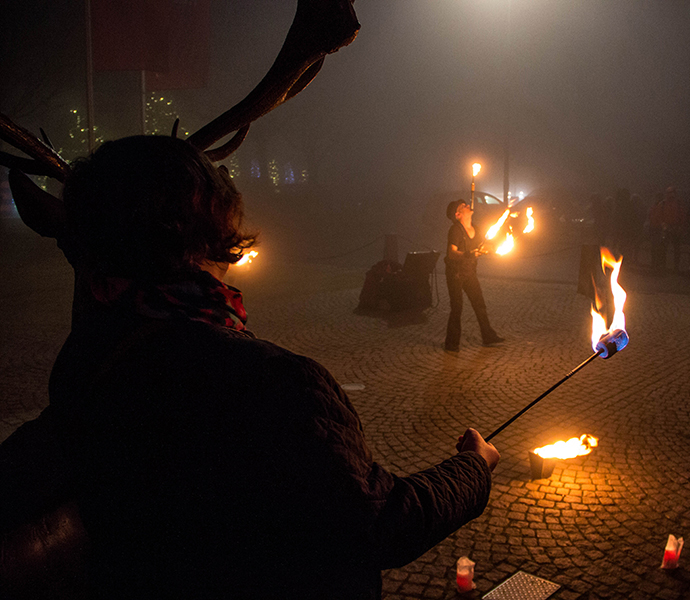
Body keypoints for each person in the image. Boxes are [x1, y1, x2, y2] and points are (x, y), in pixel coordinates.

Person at [0, 136, 500, 599]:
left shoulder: (84, 365)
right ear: (212, 229)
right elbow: (379, 524)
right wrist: (473, 468)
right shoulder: (275, 382)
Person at [443, 199, 504, 352]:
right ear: (458, 215)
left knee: (479, 304)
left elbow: (481, 248)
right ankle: (451, 344)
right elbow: (452, 253)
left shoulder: (475, 228)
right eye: (462, 206)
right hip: (455, 273)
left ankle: (488, 336)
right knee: (457, 308)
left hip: (469, 272)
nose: (467, 205)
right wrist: (469, 254)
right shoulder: (455, 230)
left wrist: (493, 249)